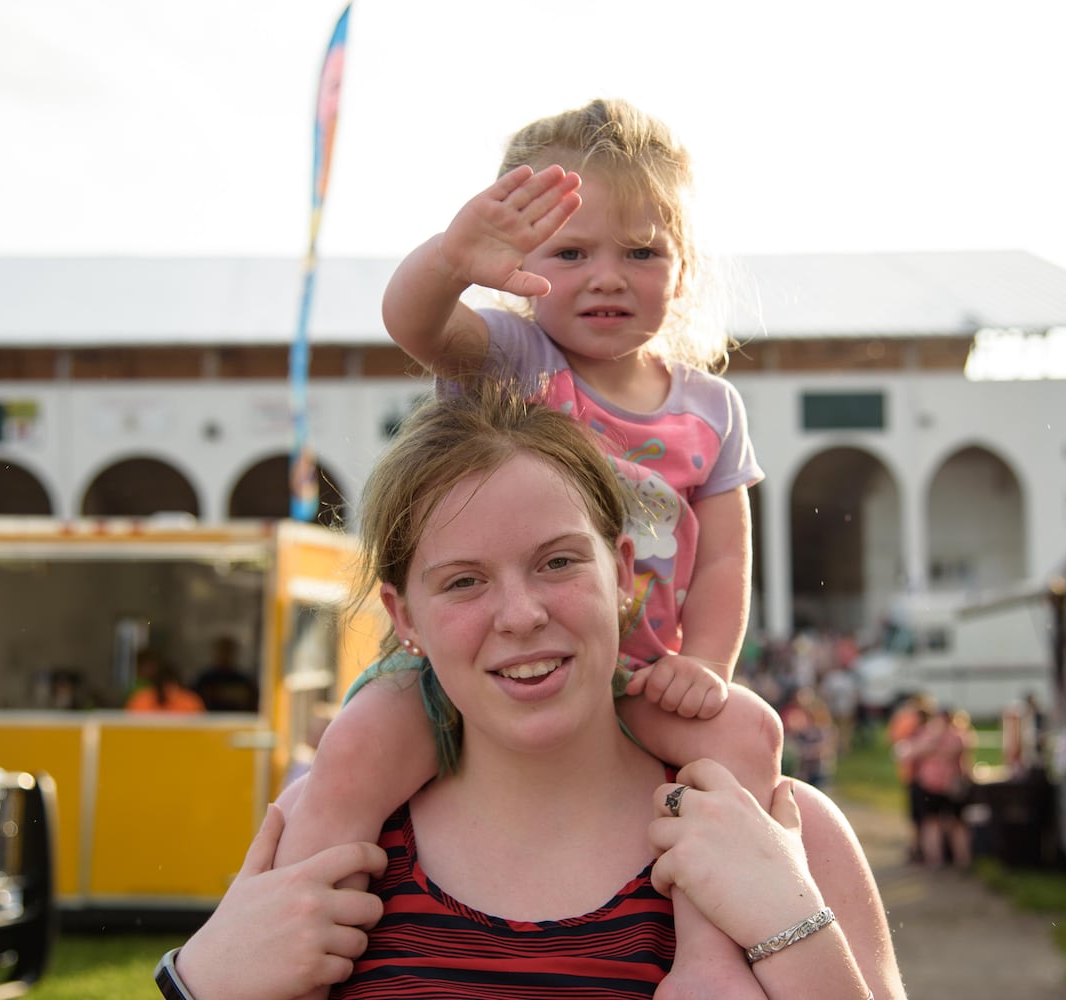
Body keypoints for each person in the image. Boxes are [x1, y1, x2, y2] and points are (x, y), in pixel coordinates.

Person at [165, 381, 903, 999]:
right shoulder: (330, 838)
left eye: (557, 562)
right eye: (464, 581)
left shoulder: (781, 829)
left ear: (621, 573)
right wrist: (198, 983)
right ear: (404, 616)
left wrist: (791, 926)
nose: (522, 615)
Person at [276, 98, 780, 995]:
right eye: (570, 252)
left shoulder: (710, 408)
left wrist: (705, 664)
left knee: (746, 733)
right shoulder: (512, 355)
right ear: (518, 268)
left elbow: (729, 560)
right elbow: (414, 322)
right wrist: (449, 260)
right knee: (355, 748)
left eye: (641, 251)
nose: (607, 277)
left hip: (632, 676)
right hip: (476, 672)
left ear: (684, 263)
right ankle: (284, 936)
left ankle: (708, 946)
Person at [901, 706, 975, 870]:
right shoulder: (957, 736)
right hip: (945, 785)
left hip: (937, 785)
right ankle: (956, 859)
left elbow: (908, 752)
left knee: (937, 823)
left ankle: (940, 859)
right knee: (946, 824)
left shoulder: (932, 736)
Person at [192, 635, 260, 712]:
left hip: (239, 721)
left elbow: (252, 703)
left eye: (228, 650)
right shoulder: (205, 680)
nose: (224, 654)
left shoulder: (243, 681)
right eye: (221, 651)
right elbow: (194, 701)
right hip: (209, 721)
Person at [125, 658, 205, 714]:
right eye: (163, 686)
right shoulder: (140, 701)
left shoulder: (190, 702)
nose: (167, 690)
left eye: (171, 686)